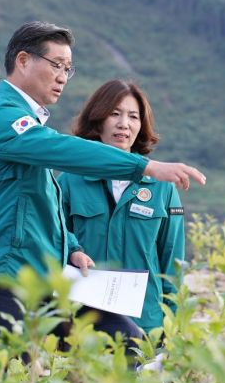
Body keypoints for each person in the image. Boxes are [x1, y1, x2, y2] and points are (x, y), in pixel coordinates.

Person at [0, 21, 205, 341]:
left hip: (42, 282)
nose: (63, 76)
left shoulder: (27, 125)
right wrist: (146, 166)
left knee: (124, 344)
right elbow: (61, 148)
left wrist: (71, 247)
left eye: (68, 69)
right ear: (22, 60)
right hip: (0, 279)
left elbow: (39, 206)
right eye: (57, 65)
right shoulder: (1, 116)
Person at [58, 80, 184, 337]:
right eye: (114, 114)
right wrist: (74, 249)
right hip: (86, 324)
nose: (123, 124)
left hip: (147, 323)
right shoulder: (71, 180)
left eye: (133, 116)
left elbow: (172, 261)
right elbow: (53, 236)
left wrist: (172, 326)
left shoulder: (162, 186)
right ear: (97, 120)